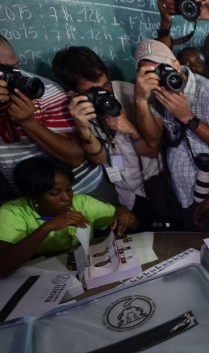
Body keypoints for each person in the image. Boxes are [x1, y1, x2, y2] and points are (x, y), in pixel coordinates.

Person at [0, 23, 103, 194]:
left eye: (15, 66)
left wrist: (29, 122)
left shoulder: (43, 90)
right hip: (33, 197)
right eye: (1, 70)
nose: (14, 75)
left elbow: (75, 157)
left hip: (83, 187)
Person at [51, 46, 163, 227]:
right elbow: (100, 158)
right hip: (124, 195)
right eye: (92, 92)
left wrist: (130, 129)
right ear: (75, 93)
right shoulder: (78, 109)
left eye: (105, 86)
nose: (104, 95)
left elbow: (151, 151)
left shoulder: (130, 92)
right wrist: (82, 127)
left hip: (153, 188)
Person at [133, 38, 209, 232]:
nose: (157, 76)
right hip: (182, 192)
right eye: (148, 73)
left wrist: (188, 117)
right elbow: (153, 140)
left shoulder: (208, 92)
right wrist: (140, 100)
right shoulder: (153, 94)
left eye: (161, 68)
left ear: (176, 64)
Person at [0, 157, 138, 278]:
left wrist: (125, 215)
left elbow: (133, 224)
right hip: (42, 277)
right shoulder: (12, 213)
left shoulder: (82, 203)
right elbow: (0, 268)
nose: (67, 198)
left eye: (69, 189)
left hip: (83, 273)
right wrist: (47, 227)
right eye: (54, 193)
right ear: (32, 195)